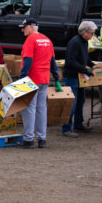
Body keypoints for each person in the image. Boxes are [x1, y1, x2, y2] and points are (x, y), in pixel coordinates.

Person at [16, 18, 60, 149]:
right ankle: (42, 139)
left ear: (31, 26)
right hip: (44, 79)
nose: (22, 30)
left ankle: (29, 139)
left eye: (24, 27)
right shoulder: (47, 40)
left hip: (32, 79)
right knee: (41, 109)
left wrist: (21, 78)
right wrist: (56, 77)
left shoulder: (30, 40)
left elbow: (28, 61)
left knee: (29, 109)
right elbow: (53, 61)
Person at [61, 21, 97, 138]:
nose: (93, 35)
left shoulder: (84, 42)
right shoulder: (75, 42)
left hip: (80, 76)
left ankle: (78, 125)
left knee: (81, 101)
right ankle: (66, 128)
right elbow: (70, 61)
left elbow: (85, 57)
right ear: (84, 32)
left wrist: (92, 65)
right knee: (72, 103)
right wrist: (85, 70)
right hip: (72, 76)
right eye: (92, 33)